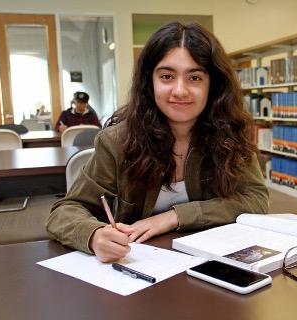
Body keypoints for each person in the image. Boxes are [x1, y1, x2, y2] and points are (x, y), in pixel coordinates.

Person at [46, 22, 269, 263]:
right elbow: (64, 211)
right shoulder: (116, 142)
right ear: (149, 83)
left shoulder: (230, 134)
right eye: (166, 76)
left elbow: (255, 199)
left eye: (194, 77)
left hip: (211, 265)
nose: (180, 90)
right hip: (138, 269)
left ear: (212, 86)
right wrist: (94, 235)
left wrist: (173, 217)